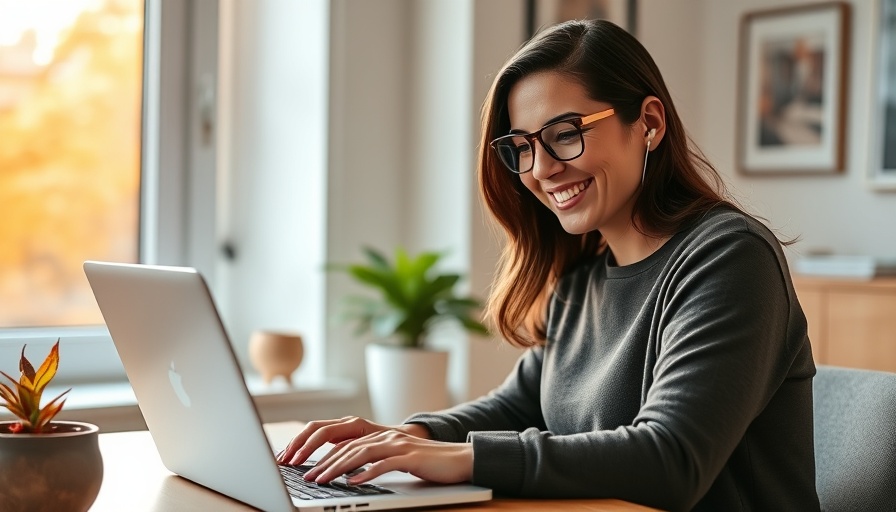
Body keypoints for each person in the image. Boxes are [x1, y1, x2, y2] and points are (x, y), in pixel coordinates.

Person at [278, 19, 820, 512]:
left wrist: (464, 459)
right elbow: (518, 406)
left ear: (648, 123)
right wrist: (411, 435)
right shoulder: (582, 279)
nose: (541, 170)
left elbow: (672, 458)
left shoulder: (729, 257)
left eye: (565, 134)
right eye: (522, 148)